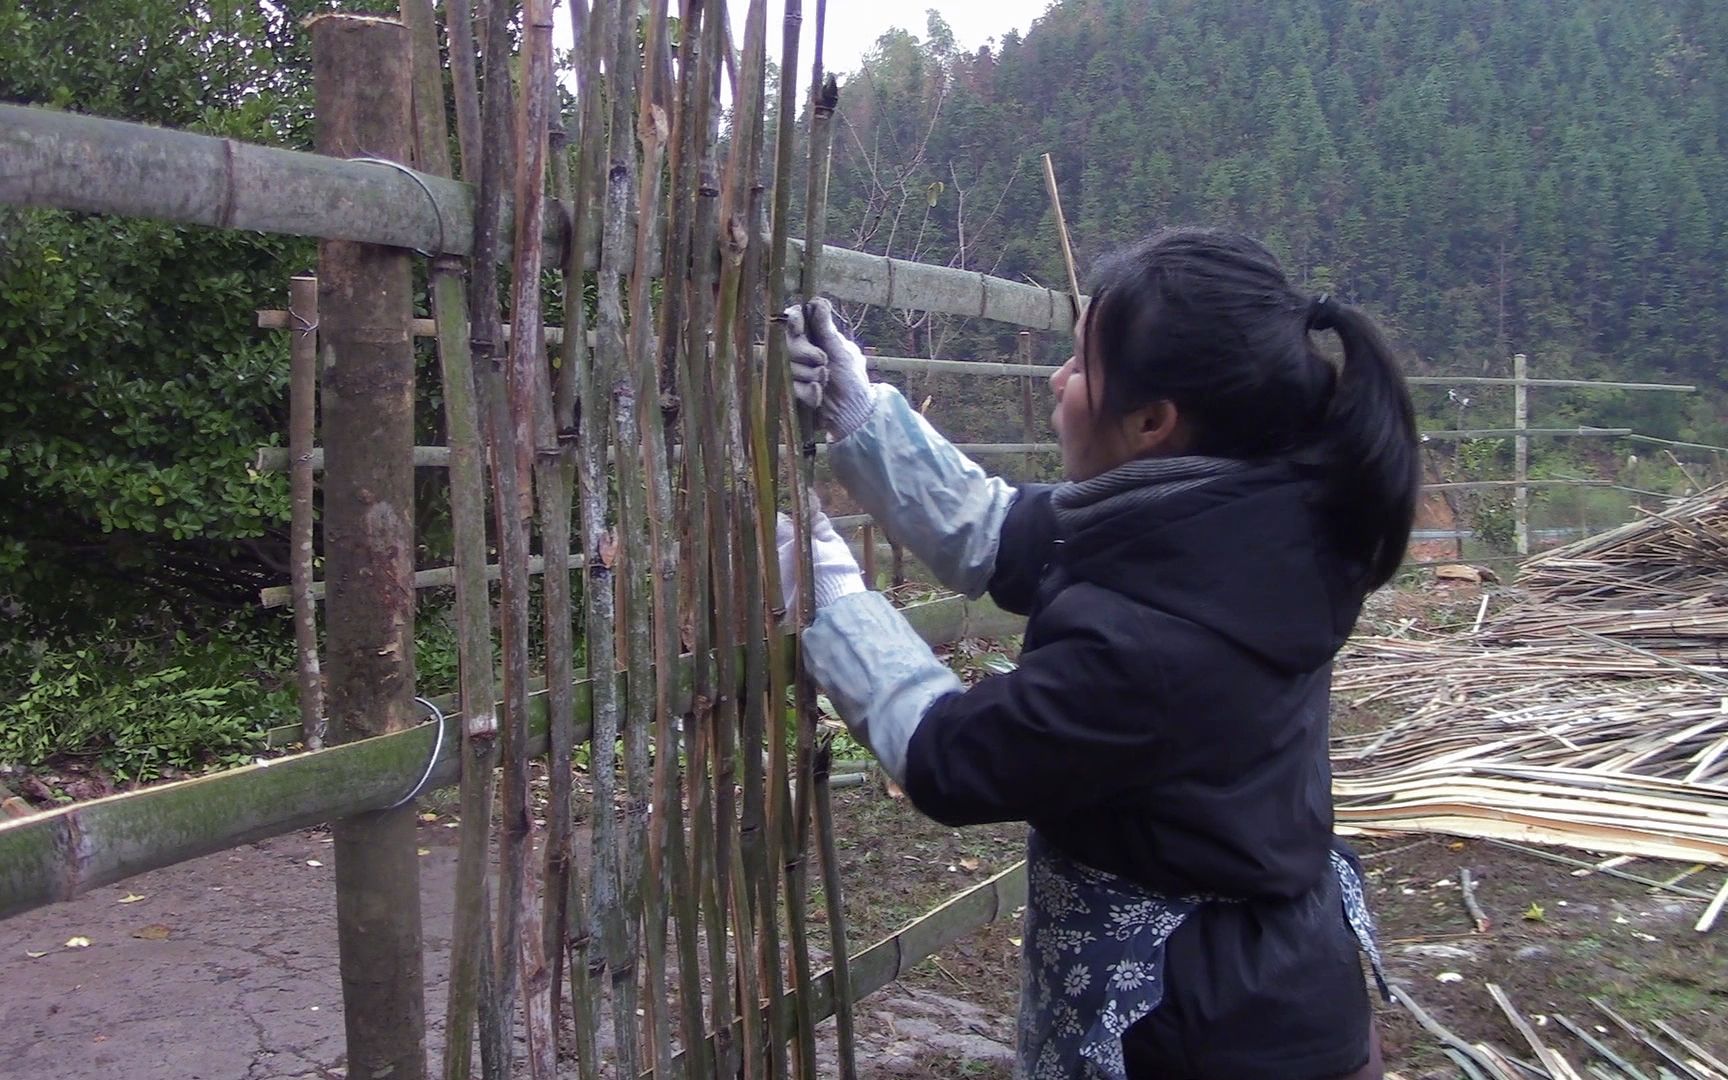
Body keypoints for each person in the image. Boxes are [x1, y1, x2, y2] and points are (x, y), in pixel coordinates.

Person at [774, 227, 1418, 1080]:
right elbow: (1011, 536)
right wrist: (859, 412)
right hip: (1270, 991)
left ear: (1154, 421)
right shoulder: (1252, 516)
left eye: (1080, 366)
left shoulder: (1158, 649)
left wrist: (828, 589)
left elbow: (953, 754)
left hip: (1201, 1036)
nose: (1057, 381)